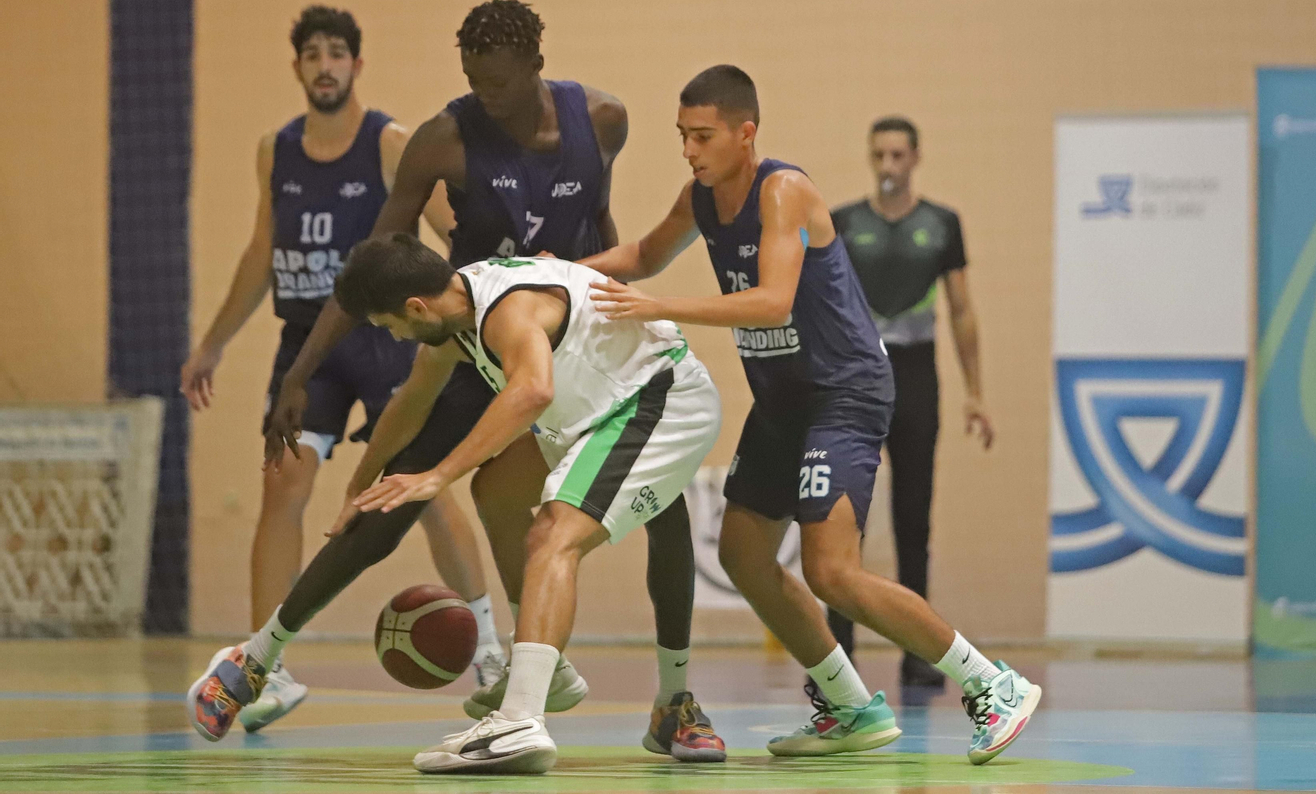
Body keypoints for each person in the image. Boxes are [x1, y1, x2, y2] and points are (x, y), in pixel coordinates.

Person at [189, 1, 716, 758]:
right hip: (487, 331)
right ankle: (257, 659)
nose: (485, 99)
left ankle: (671, 698)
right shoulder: (443, 142)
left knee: (627, 516)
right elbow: (378, 277)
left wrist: (437, 472)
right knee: (400, 495)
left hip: (580, 346)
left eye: (498, 84)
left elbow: (602, 231)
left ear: (536, 66)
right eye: (473, 81)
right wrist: (339, 431)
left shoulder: (601, 118)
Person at [583, 65, 1040, 765]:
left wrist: (661, 307)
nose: (689, 149)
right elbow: (644, 253)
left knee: (833, 571)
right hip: (783, 399)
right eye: (682, 136)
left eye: (702, 136)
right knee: (741, 550)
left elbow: (770, 300)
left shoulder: (784, 192)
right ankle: (849, 702)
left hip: (844, 392)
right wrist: (559, 269)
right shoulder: (701, 199)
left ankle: (994, 683)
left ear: (745, 132)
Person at [176, 5, 501, 733]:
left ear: (357, 64)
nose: (324, 65)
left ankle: (490, 649)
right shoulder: (275, 151)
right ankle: (268, 668)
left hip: (386, 339)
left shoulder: (389, 142)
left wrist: (483, 312)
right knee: (281, 483)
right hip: (307, 348)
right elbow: (263, 251)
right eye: (312, 54)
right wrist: (214, 342)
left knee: (422, 488)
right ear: (297, 68)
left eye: (337, 53)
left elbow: (456, 230)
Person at [338, 235, 724, 774]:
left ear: (415, 308)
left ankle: (520, 717)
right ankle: (548, 667)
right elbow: (411, 403)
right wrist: (358, 484)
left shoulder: (505, 311)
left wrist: (439, 474)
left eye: (391, 326)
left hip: (654, 402)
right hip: (592, 414)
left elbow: (532, 392)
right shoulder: (461, 301)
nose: (398, 337)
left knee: (552, 536)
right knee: (495, 493)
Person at [828, 115, 994, 688]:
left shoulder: (941, 224)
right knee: (845, 516)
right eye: (879, 156)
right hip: (857, 375)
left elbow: (962, 310)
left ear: (916, 158)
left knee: (913, 514)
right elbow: (818, 302)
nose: (889, 167)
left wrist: (976, 394)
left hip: (917, 373)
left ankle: (919, 652)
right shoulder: (843, 223)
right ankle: (840, 653)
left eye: (898, 156)